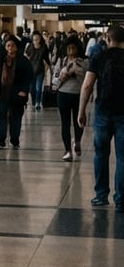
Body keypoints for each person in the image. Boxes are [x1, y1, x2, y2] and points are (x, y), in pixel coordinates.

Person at [78, 25, 124, 211]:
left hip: (103, 112)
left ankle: (100, 195)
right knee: (122, 158)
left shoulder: (99, 57)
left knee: (100, 155)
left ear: (107, 37)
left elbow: (87, 85)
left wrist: (81, 111)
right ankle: (121, 200)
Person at [0, 36, 33, 150]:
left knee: (16, 118)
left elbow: (29, 76)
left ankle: (14, 140)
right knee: (2, 117)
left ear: (16, 47)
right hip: (3, 93)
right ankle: (1, 141)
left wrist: (24, 91)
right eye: (8, 46)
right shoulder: (1, 59)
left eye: (12, 45)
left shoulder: (23, 61)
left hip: (17, 94)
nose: (10, 48)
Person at [53, 37, 87, 162]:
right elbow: (55, 77)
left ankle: (77, 141)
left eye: (73, 47)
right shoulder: (62, 61)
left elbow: (85, 74)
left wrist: (73, 70)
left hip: (78, 95)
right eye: (68, 48)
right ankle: (67, 150)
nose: (71, 50)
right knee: (65, 123)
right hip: (63, 94)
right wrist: (65, 74)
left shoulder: (83, 61)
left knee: (79, 120)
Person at [25, 31, 51, 110]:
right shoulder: (30, 47)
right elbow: (26, 56)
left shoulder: (44, 47)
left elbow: (46, 59)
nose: (35, 41)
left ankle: (37, 102)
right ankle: (33, 101)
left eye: (37, 39)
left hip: (40, 70)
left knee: (38, 87)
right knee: (31, 88)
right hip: (31, 70)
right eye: (34, 39)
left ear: (40, 39)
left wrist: (49, 68)